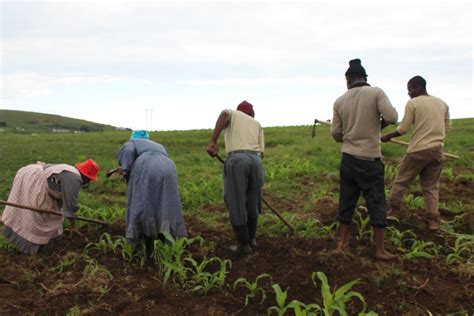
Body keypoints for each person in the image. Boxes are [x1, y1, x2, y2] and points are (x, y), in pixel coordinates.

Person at [331, 58, 398, 260]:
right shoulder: (376, 92)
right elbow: (392, 117)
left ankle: (342, 244)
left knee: (347, 199)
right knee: (376, 201)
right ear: (364, 78)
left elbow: (335, 134)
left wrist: (350, 134)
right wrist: (378, 125)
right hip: (370, 159)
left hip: (348, 159)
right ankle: (379, 250)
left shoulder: (340, 101)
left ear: (349, 79)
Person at [381, 76, 450, 231]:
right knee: (431, 187)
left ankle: (394, 210)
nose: (408, 93)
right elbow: (447, 127)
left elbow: (403, 129)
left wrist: (388, 136)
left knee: (401, 181)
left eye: (410, 89)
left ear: (419, 87)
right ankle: (432, 220)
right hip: (437, 150)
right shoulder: (442, 103)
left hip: (417, 151)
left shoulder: (413, 103)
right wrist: (435, 139)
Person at [1, 159, 99, 254]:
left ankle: (48, 243)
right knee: (34, 215)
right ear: (86, 176)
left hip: (29, 174)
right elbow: (69, 206)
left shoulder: (70, 171)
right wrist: (73, 227)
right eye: (89, 179)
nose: (89, 182)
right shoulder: (75, 178)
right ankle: (30, 247)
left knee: (49, 215)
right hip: (34, 179)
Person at [207, 101, 265, 256]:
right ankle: (251, 239)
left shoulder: (232, 113)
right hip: (256, 161)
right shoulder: (257, 124)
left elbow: (224, 114)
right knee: (253, 200)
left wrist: (213, 141)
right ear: (252, 114)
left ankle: (243, 244)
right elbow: (262, 153)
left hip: (238, 159)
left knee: (236, 200)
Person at [117, 130, 187, 257]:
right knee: (166, 201)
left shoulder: (131, 143)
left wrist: (126, 171)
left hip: (147, 165)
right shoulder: (157, 146)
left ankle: (143, 240)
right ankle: (167, 238)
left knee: (143, 201)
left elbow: (127, 153)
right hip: (169, 166)